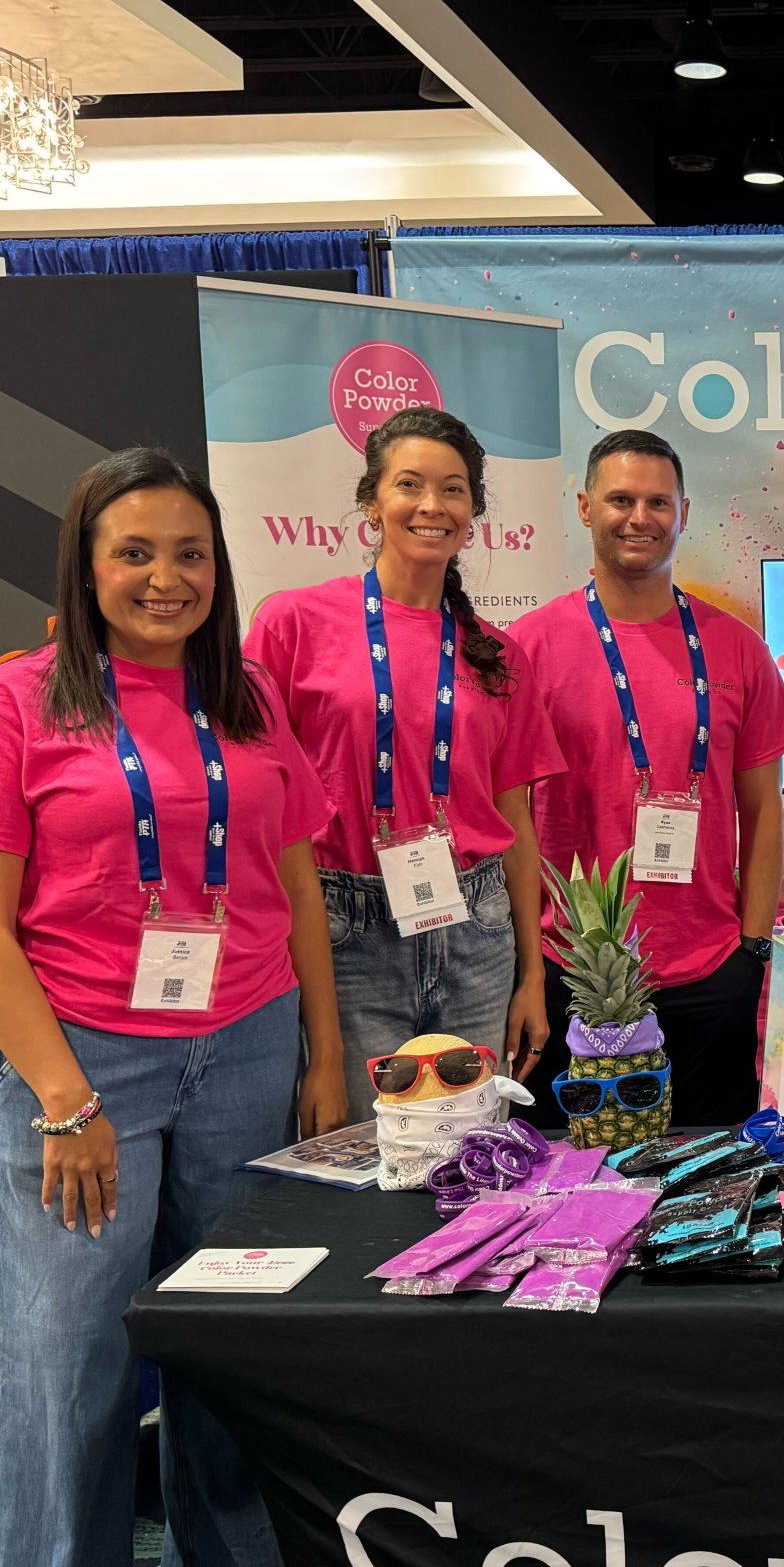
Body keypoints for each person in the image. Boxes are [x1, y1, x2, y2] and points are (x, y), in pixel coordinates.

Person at [0, 450, 342, 1567]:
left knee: (232, 1333)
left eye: (190, 554)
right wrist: (64, 1099)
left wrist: (325, 1053)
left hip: (248, 1043)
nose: (166, 578)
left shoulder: (248, 696)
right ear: (87, 564)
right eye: (135, 553)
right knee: (65, 1362)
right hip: (86, 1062)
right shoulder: (19, 699)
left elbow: (293, 880)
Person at [248, 405, 563, 1120]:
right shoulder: (291, 625)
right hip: (344, 928)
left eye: (453, 489)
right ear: (371, 501)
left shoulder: (497, 654)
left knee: (472, 1149)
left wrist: (531, 974)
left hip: (478, 929)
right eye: (410, 484)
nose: (432, 505)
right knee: (364, 1147)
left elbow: (515, 822)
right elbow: (263, 804)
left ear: (473, 513)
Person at [514, 427, 784, 1124]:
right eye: (620, 499)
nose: (638, 517)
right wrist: (526, 966)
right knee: (573, 1176)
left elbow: (765, 811)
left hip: (710, 971)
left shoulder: (739, 648)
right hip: (572, 974)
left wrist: (752, 950)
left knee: (711, 1175)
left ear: (683, 512)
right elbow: (511, 820)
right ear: (585, 507)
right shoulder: (528, 648)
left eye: (657, 502)